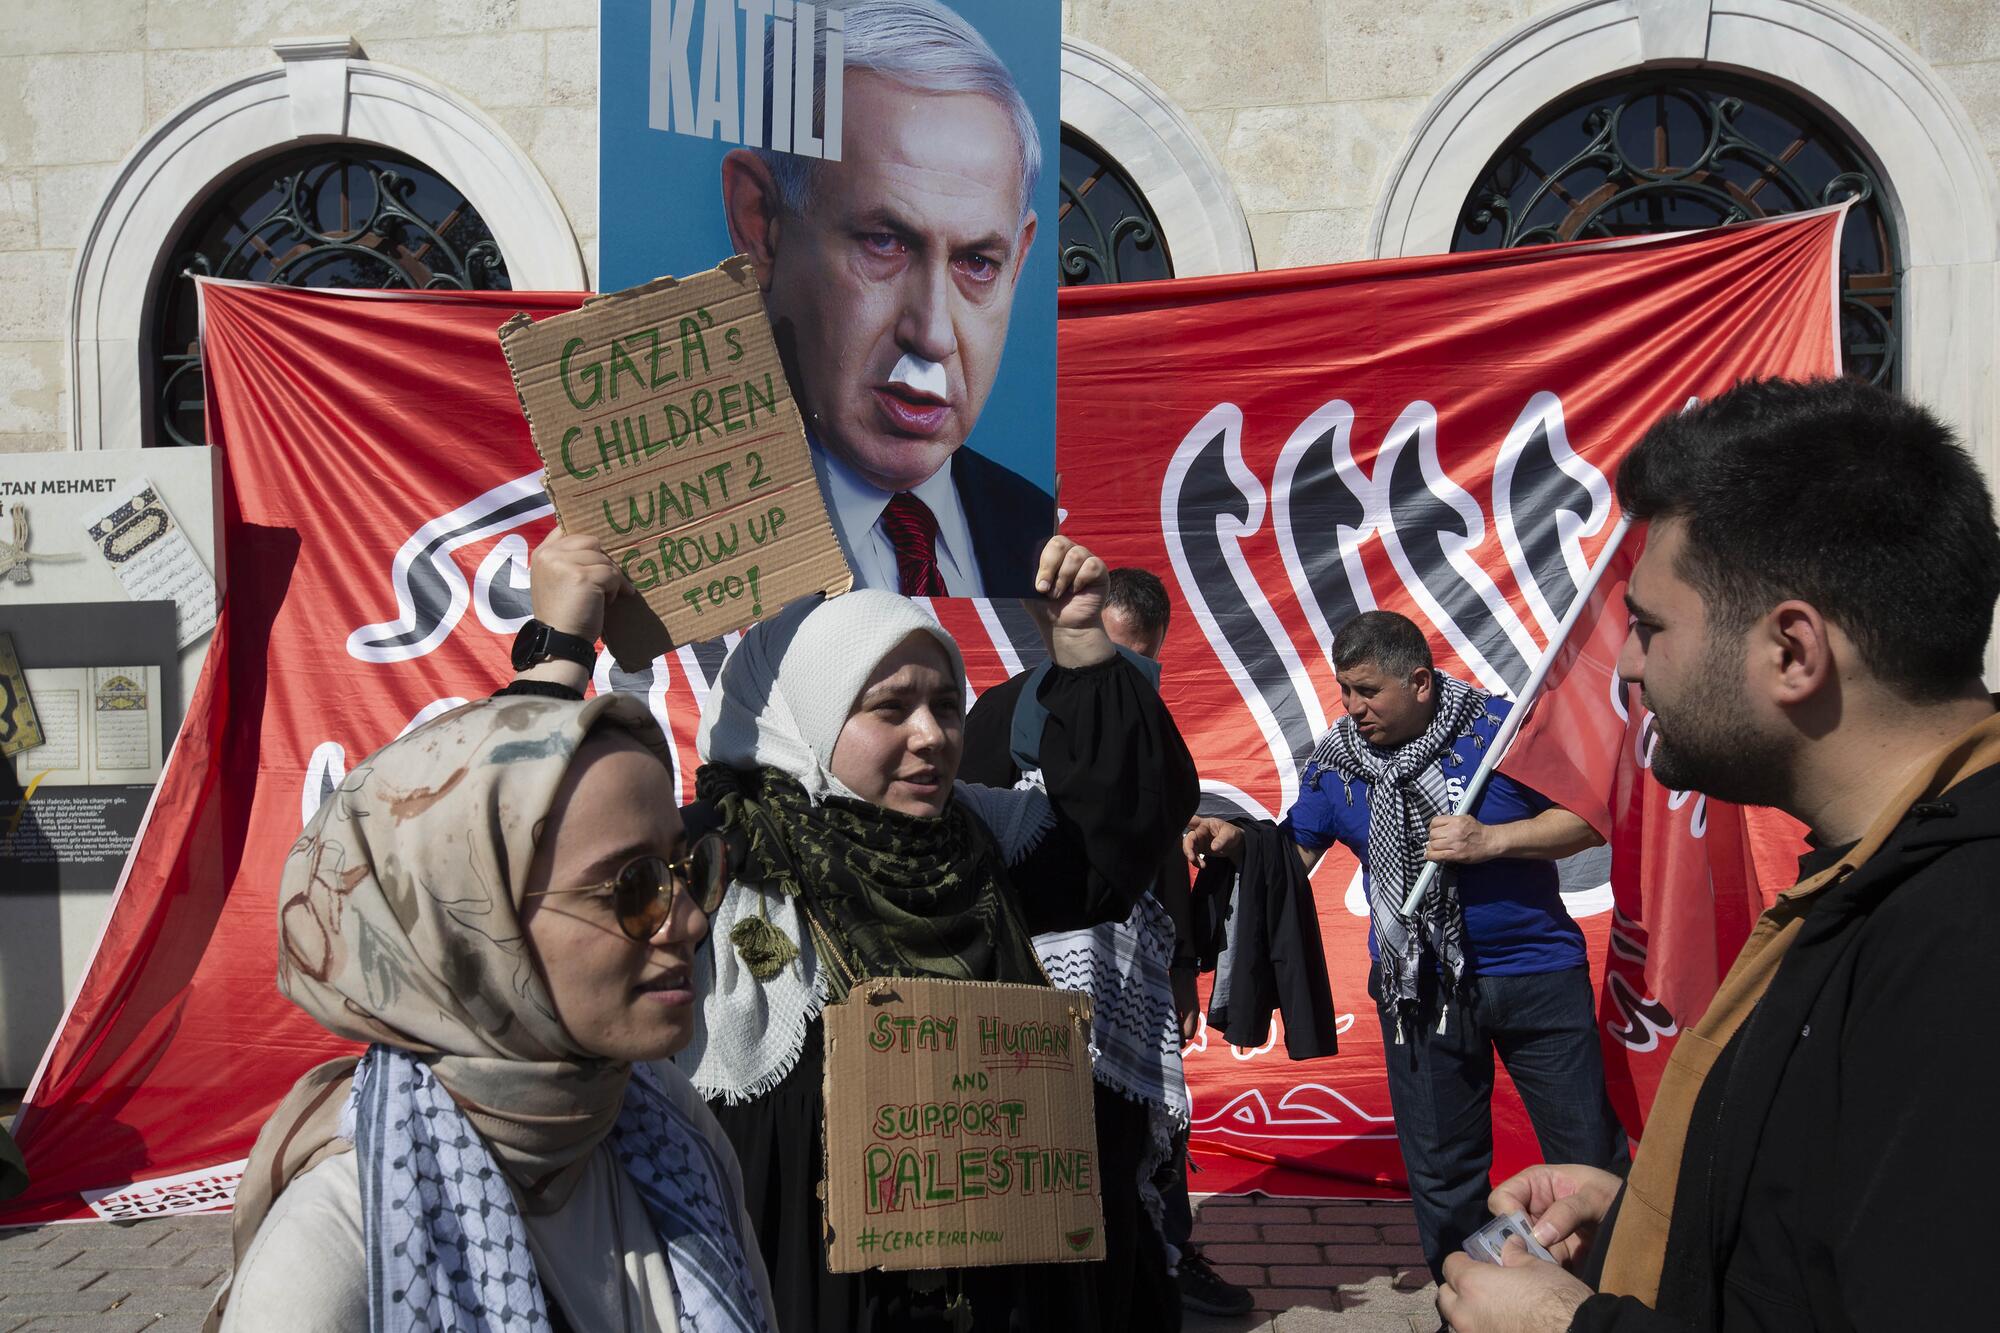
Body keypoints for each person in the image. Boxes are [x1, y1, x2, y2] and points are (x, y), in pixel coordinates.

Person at [513, 532, 1200, 1330]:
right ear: (804, 715)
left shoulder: (985, 840)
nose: (932, 736)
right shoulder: (709, 858)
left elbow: (1123, 832)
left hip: (1004, 1292)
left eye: (946, 703)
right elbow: (522, 870)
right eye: (889, 707)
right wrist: (557, 653)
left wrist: (1081, 646)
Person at [1437, 376, 2000, 1333]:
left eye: (1651, 626)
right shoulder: (1879, 871)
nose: (1626, 665)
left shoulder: (1963, 939)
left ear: (1793, 651)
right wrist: (1655, 1207)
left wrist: (1567, 1328)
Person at [207, 693, 776, 1333]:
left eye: (688, 869)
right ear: (469, 925)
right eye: (633, 888)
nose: (691, 919)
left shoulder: (668, 1119)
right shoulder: (332, 1260)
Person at [1184, 610, 1627, 1287]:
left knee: (1588, 1153)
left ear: (1419, 681)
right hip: (1417, 990)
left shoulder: (1501, 729)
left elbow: (1587, 820)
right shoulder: (1338, 763)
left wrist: (1491, 840)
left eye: (1368, 691)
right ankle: (1468, 1301)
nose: (1353, 708)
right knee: (1444, 1170)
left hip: (1538, 976)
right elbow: (1291, 852)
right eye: (1345, 692)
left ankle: (1607, 1300)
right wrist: (1236, 839)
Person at [959, 567, 1255, 1320]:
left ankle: (1160, 1259)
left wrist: (1183, 968)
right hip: (1020, 981)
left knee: (1133, 1144)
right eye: (1110, 656)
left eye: (1139, 664)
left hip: (1125, 986)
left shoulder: (1136, 722)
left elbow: (1152, 855)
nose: (1125, 680)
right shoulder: (997, 714)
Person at [720, 0, 1054, 595]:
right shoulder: (674, 545)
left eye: (977, 262)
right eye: (884, 242)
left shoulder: (1039, 537)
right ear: (760, 222)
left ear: (1019, 261)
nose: (931, 334)